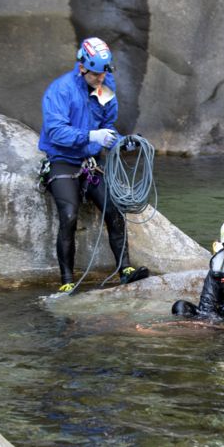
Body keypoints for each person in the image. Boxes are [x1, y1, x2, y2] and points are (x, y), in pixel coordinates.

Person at [38, 37, 148, 292]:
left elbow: (107, 124)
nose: (101, 79)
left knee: (114, 208)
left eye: (104, 73)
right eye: (96, 74)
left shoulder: (104, 86)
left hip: (91, 161)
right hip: (63, 160)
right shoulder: (61, 90)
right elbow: (55, 131)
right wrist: (89, 136)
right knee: (69, 215)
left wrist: (120, 142)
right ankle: (67, 282)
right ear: (82, 68)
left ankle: (126, 270)